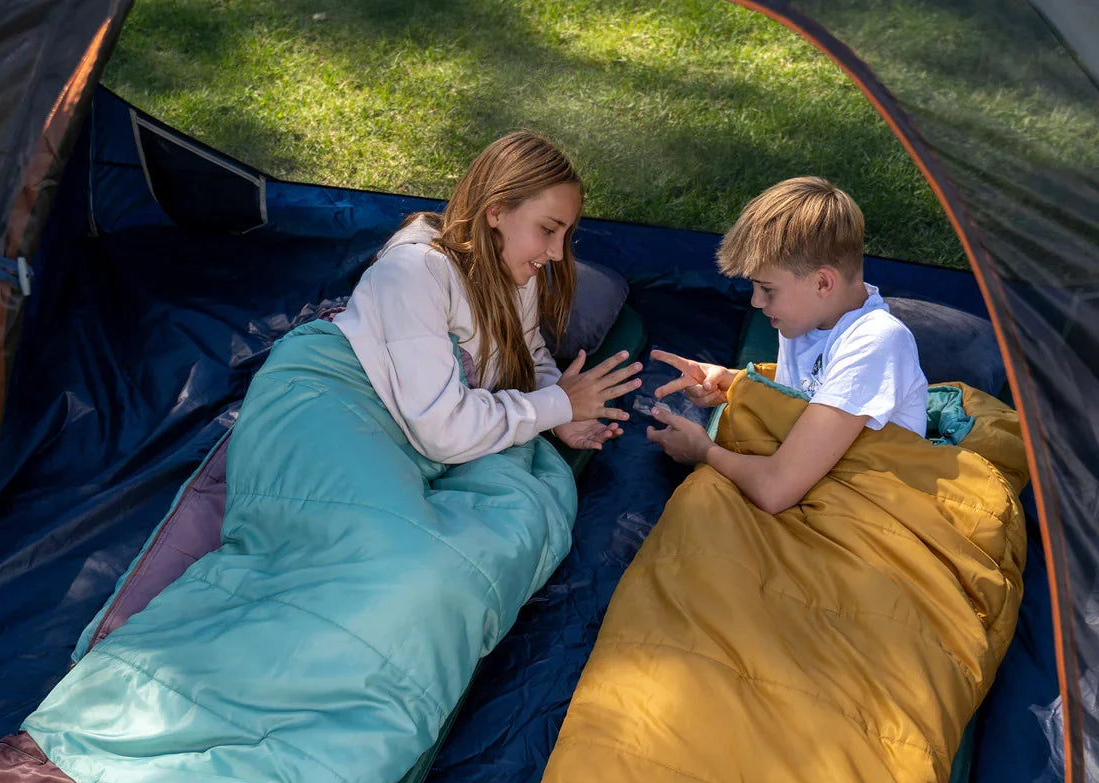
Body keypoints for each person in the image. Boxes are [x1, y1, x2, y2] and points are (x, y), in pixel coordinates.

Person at [333, 130, 642, 464]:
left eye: (565, 235)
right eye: (548, 229)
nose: (556, 252)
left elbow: (527, 353)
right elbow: (442, 431)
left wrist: (562, 412)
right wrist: (559, 403)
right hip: (334, 411)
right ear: (495, 212)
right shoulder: (413, 274)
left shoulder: (516, 269)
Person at [644, 175, 928, 513]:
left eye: (767, 289)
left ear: (822, 282)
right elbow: (802, 400)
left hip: (866, 505)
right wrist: (733, 384)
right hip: (812, 484)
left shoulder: (875, 342)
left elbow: (776, 490)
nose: (755, 302)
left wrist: (702, 451)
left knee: (701, 509)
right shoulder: (808, 319)